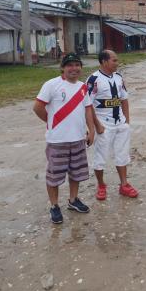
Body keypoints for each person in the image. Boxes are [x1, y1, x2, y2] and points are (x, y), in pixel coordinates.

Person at [33, 52, 95, 224]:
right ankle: (54, 206)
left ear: (81, 68)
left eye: (77, 65)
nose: (74, 68)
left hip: (78, 139)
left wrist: (92, 130)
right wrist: (51, 121)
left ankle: (73, 200)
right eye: (70, 65)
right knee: (54, 175)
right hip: (57, 141)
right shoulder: (51, 85)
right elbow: (38, 107)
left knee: (76, 172)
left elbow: (88, 108)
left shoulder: (83, 87)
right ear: (63, 68)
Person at [86, 50, 139, 201]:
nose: (117, 63)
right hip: (103, 125)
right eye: (114, 60)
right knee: (100, 158)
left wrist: (126, 121)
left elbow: (124, 99)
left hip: (120, 124)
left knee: (122, 155)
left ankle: (124, 185)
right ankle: (101, 185)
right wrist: (96, 126)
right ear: (104, 61)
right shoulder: (93, 80)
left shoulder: (119, 77)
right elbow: (87, 105)